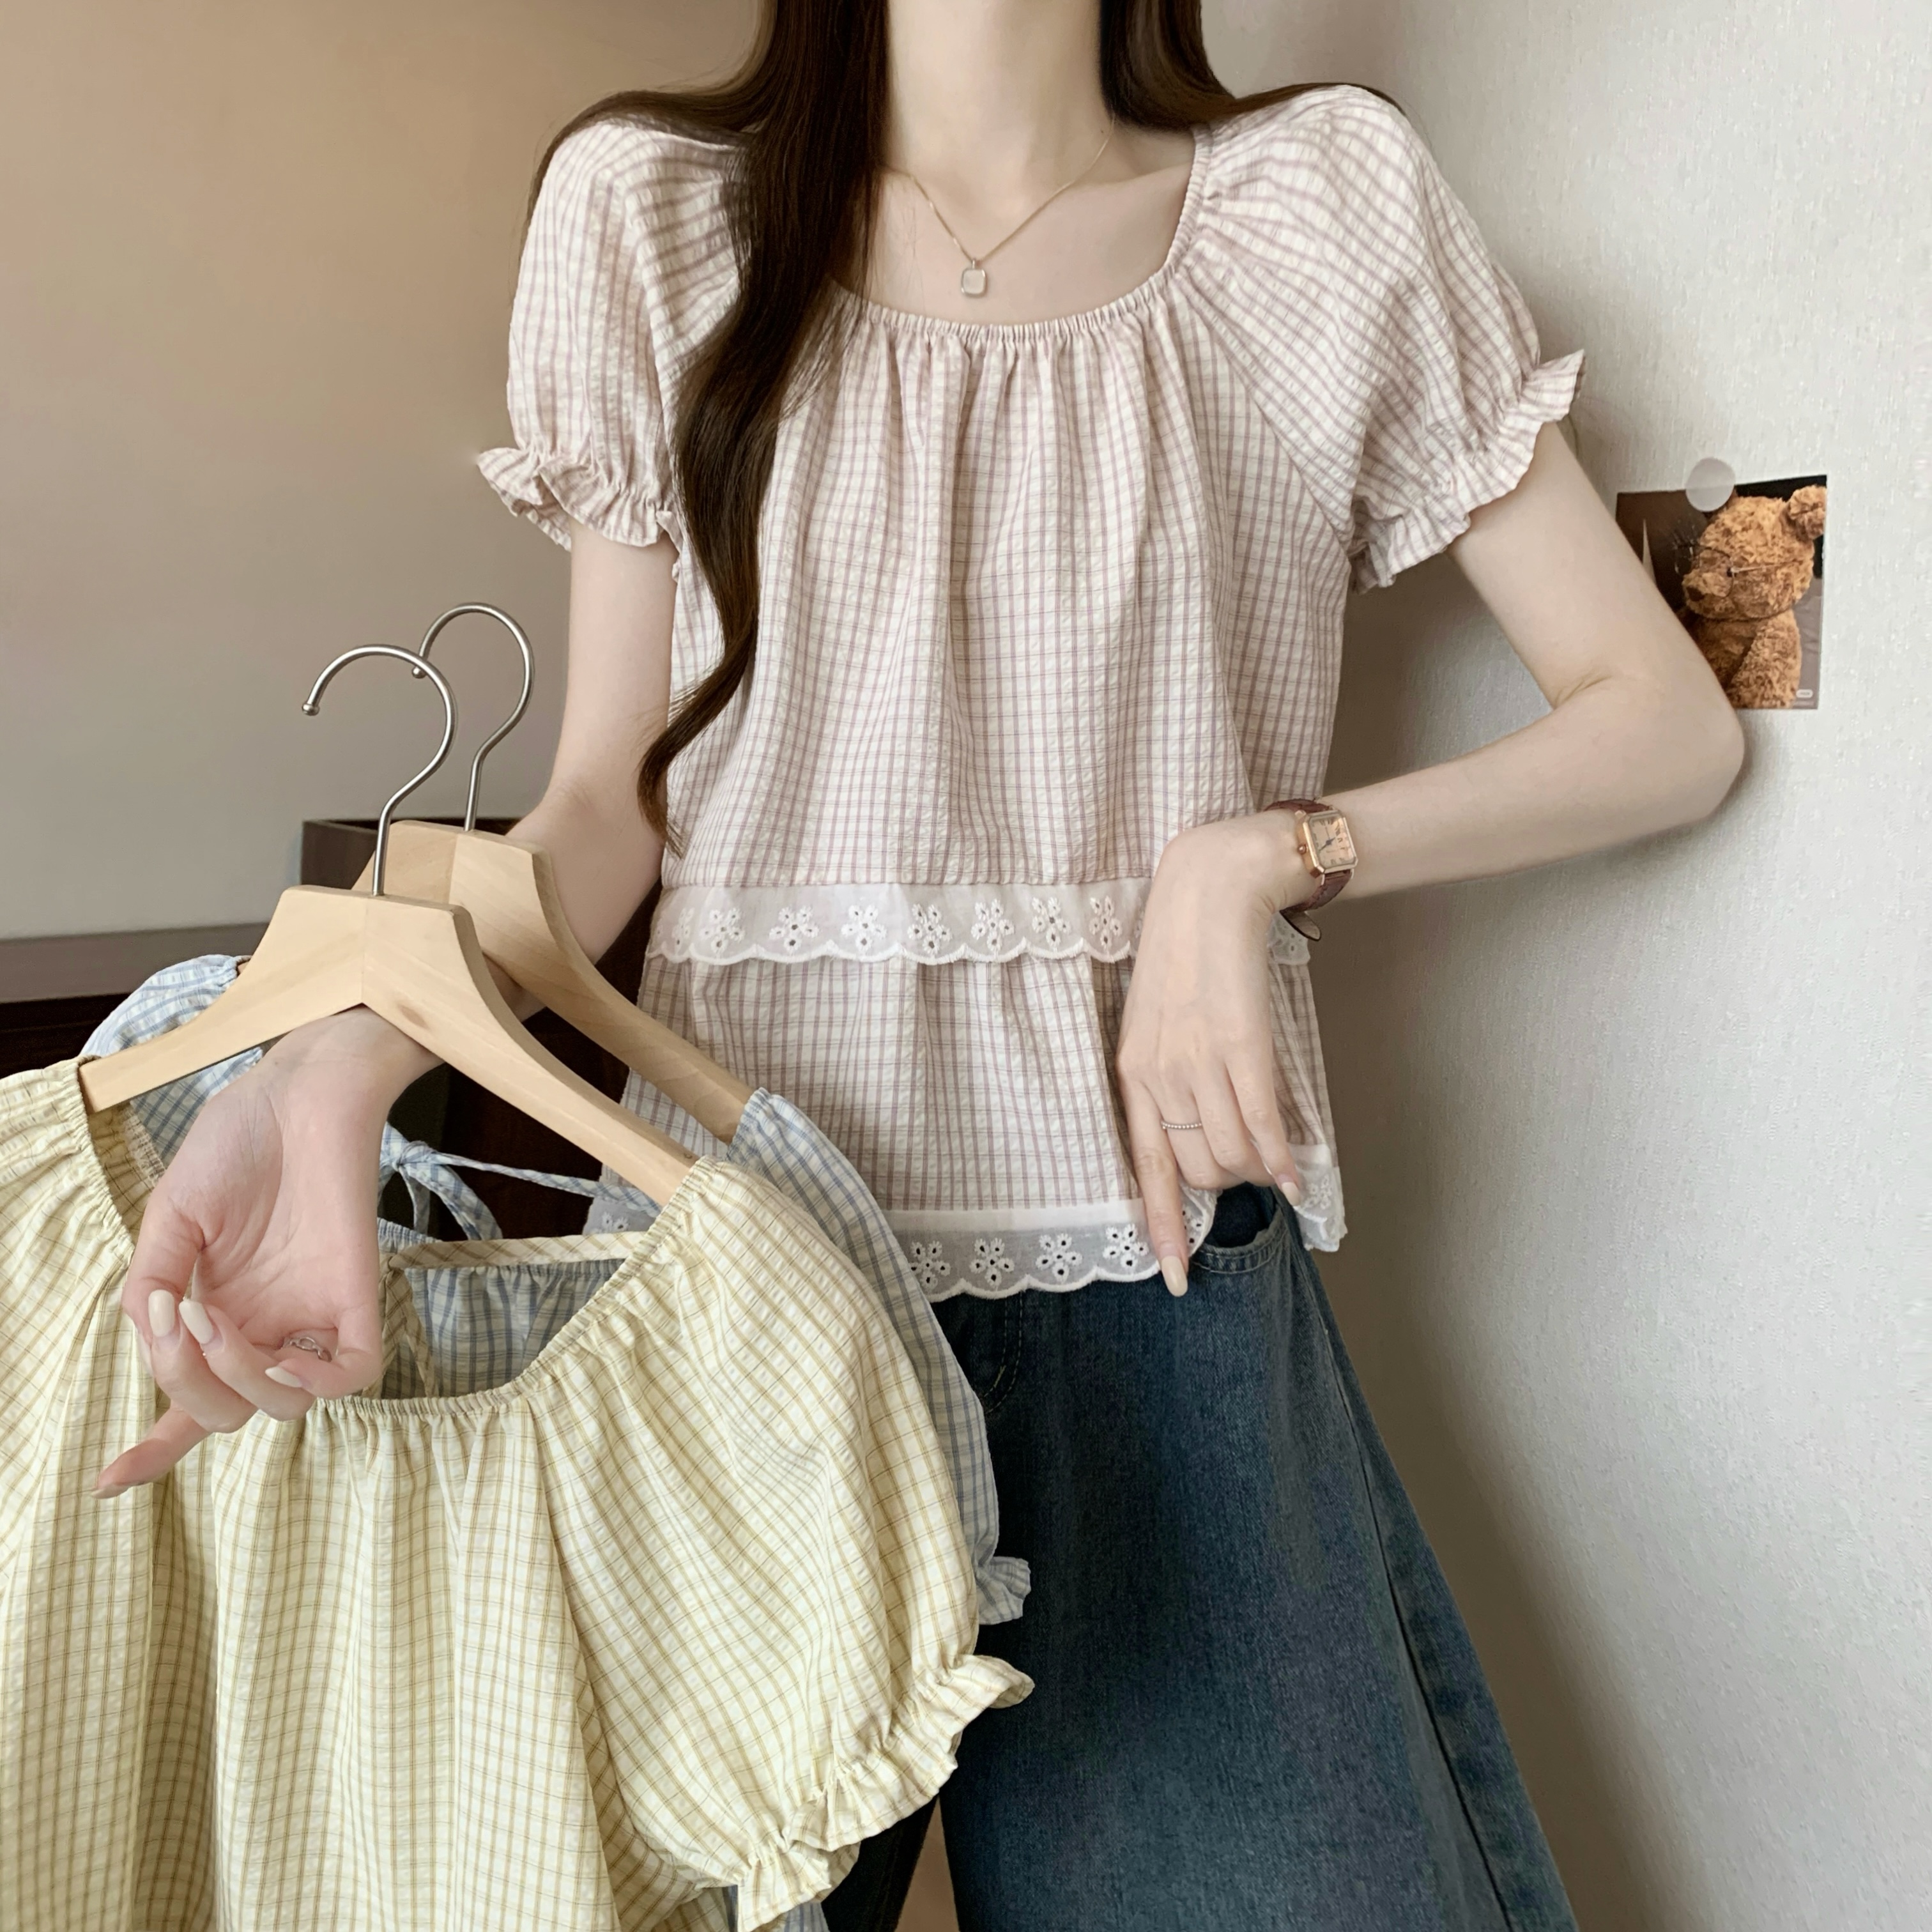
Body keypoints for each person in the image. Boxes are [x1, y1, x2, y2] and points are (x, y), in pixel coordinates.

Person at [96, 2, 1743, 1926]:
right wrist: (336, 1068)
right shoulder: (651, 219)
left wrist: (1253, 863)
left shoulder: (1322, 210)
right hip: (741, 1301)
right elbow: (605, 808)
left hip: (1154, 1281)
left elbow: (1661, 724)